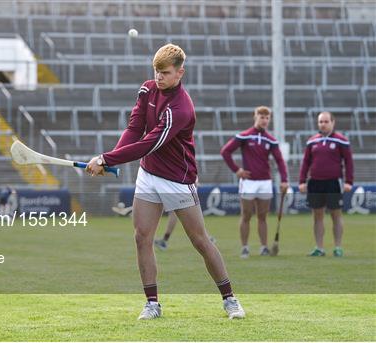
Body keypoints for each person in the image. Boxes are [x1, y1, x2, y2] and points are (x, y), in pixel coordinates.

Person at [86, 43, 245, 320]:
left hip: (177, 180)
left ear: (180, 73)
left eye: (165, 72)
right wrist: (109, 160)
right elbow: (135, 129)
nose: (159, 77)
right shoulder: (147, 89)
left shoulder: (180, 108)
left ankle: (229, 298)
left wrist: (106, 159)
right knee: (141, 237)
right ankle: (152, 303)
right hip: (148, 176)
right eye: (156, 71)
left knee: (200, 240)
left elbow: (149, 143)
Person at [220, 106, 289, 258]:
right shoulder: (244, 136)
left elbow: (280, 161)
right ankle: (245, 247)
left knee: (263, 217)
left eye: (267, 118)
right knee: (246, 215)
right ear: (255, 117)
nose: (264, 120)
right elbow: (225, 151)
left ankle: (264, 247)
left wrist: (284, 180)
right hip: (249, 182)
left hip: (265, 182)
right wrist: (237, 170)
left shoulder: (271, 140)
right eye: (261, 117)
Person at [299, 111, 354, 257]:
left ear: (332, 123)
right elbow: (305, 162)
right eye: (320, 122)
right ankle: (319, 247)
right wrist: (302, 181)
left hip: (333, 183)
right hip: (315, 183)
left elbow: (349, 162)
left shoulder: (341, 140)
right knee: (317, 216)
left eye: (326, 121)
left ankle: (337, 247)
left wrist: (349, 181)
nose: (323, 124)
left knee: (336, 215)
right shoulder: (312, 141)